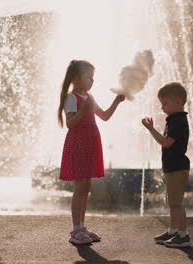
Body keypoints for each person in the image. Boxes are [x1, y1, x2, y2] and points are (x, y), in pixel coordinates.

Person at [57, 60, 125, 245]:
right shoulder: (72, 98)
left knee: (86, 187)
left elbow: (104, 116)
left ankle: (82, 225)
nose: (92, 81)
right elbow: (70, 123)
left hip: (90, 143)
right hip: (78, 143)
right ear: (76, 79)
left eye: (93, 77)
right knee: (80, 187)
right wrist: (84, 110)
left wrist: (116, 101)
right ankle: (76, 229)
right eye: (89, 77)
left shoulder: (89, 97)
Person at [141, 82, 191, 248]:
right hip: (172, 168)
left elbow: (166, 142)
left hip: (177, 168)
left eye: (165, 104)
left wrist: (150, 129)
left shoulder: (178, 122)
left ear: (178, 101)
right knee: (172, 202)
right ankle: (172, 231)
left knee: (176, 204)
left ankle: (183, 236)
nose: (162, 108)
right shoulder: (175, 119)